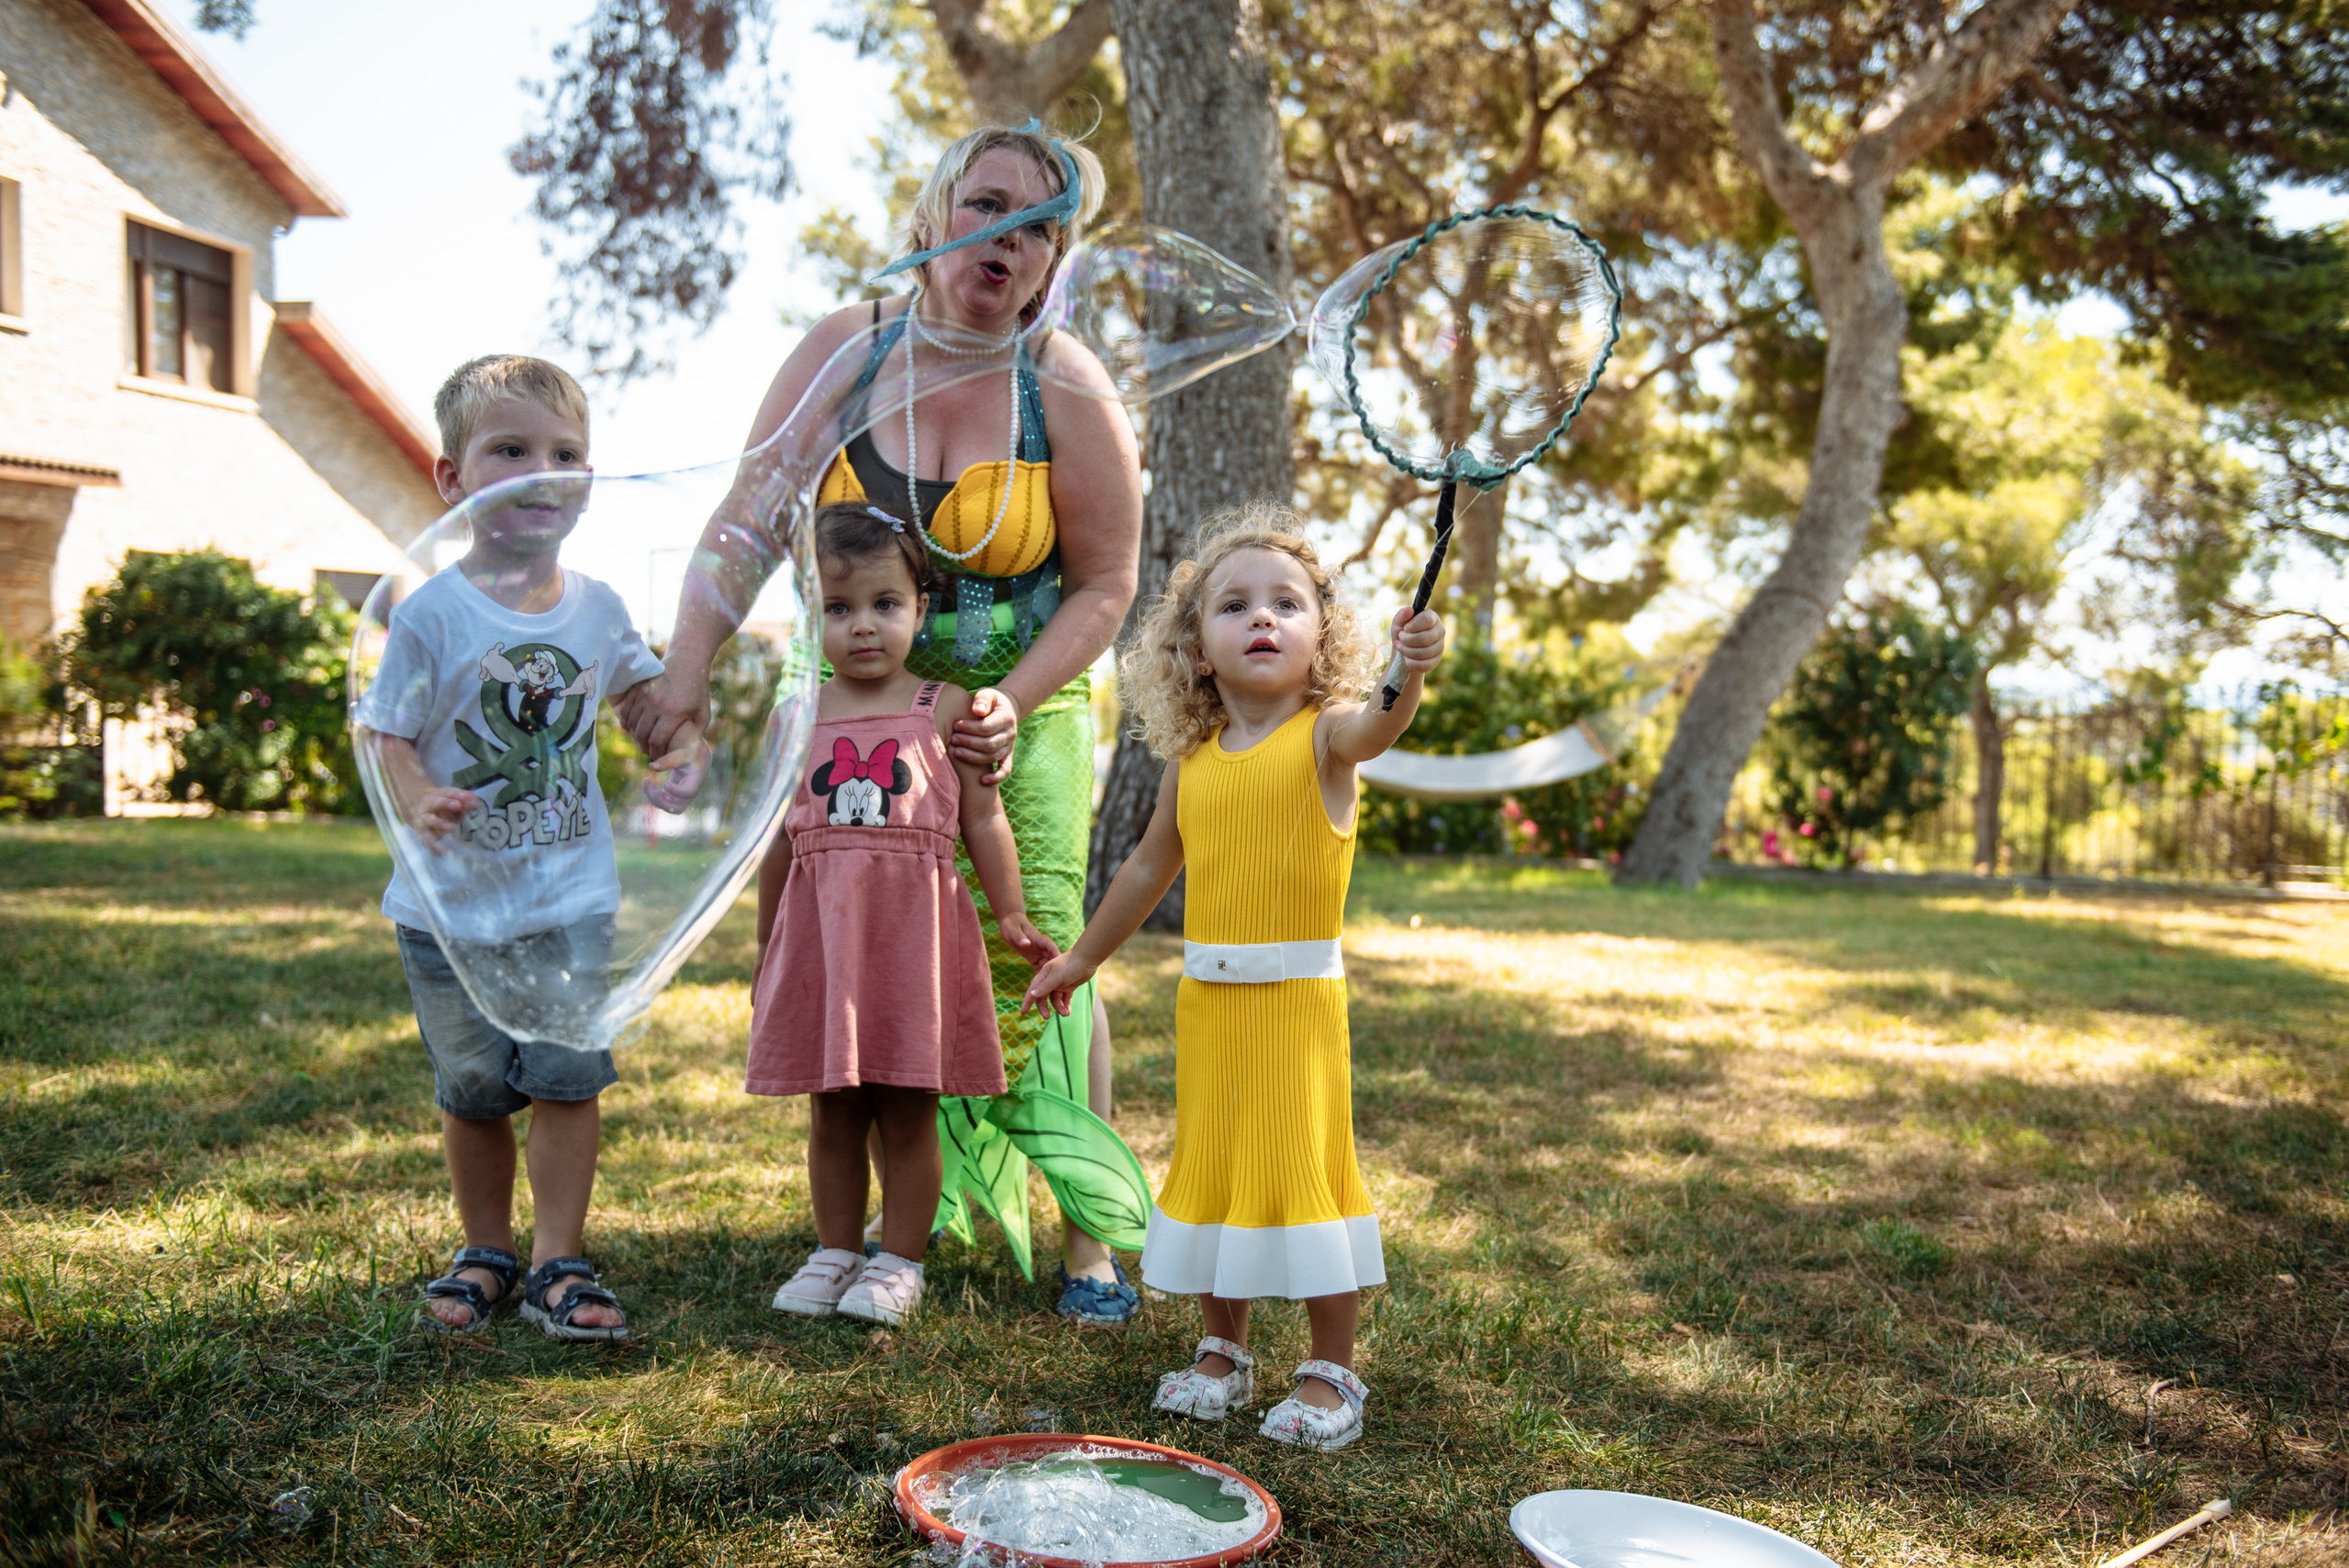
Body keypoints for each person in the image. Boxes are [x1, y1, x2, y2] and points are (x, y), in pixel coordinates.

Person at [619, 122, 1149, 1321]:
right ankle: (864, 1227)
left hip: (1016, 714)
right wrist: (686, 676)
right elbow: (752, 516)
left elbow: (1109, 580)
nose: (1012, 240)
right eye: (990, 206)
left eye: (1045, 227)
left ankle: (1090, 1238)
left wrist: (1008, 703)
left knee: (1046, 950)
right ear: (934, 214)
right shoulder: (846, 351)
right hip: (855, 716)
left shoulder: (1063, 382)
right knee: (858, 937)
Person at [1023, 506, 1447, 1451]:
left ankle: (1331, 1366)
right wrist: (1084, 956)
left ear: (1321, 636)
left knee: (1303, 1172)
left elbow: (1382, 723)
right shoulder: (1193, 762)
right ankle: (1222, 1347)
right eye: (1234, 605)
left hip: (1297, 1006)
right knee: (1212, 1169)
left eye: (1286, 602)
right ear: (1196, 649)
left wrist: (1407, 667)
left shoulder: (1329, 736)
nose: (1262, 617)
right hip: (1208, 1005)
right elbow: (1143, 867)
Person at [355, 354, 701, 1342]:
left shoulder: (595, 609)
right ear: (453, 480)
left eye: (565, 453)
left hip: (567, 903)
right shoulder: (432, 614)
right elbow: (384, 733)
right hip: (448, 913)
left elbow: (643, 703)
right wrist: (418, 793)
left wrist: (681, 747)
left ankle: (558, 1253)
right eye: (511, 450)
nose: (542, 470)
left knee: (565, 1078)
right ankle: (486, 1247)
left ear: (587, 482)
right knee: (472, 1089)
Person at [751, 502, 1056, 1327]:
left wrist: (1014, 914)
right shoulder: (798, 720)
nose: (862, 627)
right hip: (825, 945)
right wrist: (764, 950)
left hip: (912, 946)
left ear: (921, 606)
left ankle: (900, 1262)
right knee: (834, 1109)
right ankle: (835, 1249)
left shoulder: (947, 707)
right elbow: (779, 845)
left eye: (884, 604)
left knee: (908, 1107)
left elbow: (983, 820)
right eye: (838, 609)